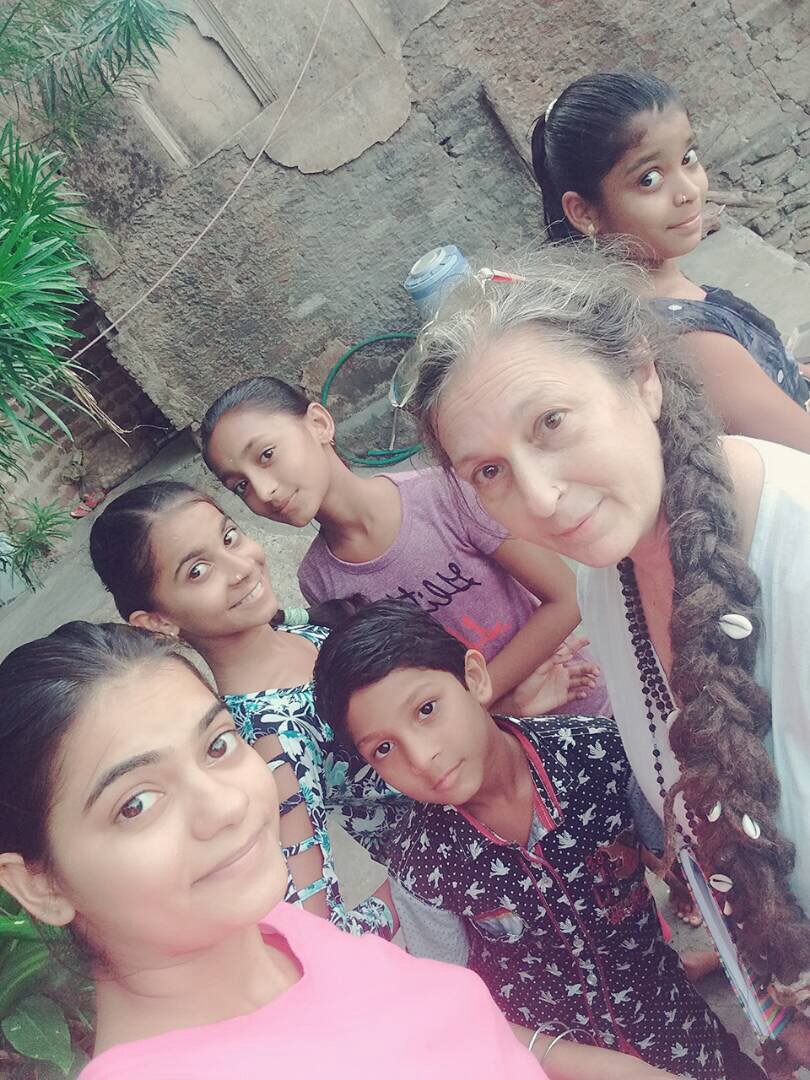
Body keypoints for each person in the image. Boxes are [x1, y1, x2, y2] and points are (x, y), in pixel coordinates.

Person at [406, 245, 810, 1076]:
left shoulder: (796, 551)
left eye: (551, 423)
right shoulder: (605, 581)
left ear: (642, 376)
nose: (541, 498)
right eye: (490, 471)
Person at [0, 621, 566, 1080]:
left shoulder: (277, 931)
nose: (226, 805)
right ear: (37, 886)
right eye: (136, 804)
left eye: (218, 745)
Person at [313, 599, 761, 1079]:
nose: (421, 757)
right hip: (546, 1062)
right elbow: (456, 1006)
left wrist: (763, 973)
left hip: (677, 1027)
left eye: (426, 710)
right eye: (383, 748)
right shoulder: (419, 866)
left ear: (474, 678)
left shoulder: (600, 753)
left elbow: (690, 867)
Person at [89, 480, 405, 936]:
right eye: (198, 571)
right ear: (158, 621)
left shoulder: (301, 631)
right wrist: (424, 881)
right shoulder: (271, 737)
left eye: (230, 537)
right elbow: (318, 929)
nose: (239, 568)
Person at [199, 375, 608, 720]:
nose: (264, 491)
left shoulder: (442, 494)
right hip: (492, 744)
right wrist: (496, 708)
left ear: (319, 423)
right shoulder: (319, 580)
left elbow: (566, 598)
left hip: (581, 700)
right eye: (240, 486)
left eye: (267, 455)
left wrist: (480, 696)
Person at [530, 72, 810, 453]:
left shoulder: (644, 288)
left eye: (688, 158)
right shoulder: (692, 342)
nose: (689, 191)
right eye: (649, 179)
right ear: (583, 211)